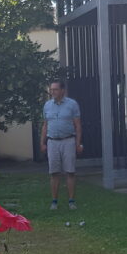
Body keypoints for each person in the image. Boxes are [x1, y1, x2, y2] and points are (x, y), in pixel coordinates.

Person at [40, 80, 83, 210]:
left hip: (68, 140)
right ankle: (54, 201)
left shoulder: (72, 104)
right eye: (51, 89)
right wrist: (42, 142)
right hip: (52, 141)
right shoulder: (47, 105)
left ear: (62, 90)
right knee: (54, 173)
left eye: (55, 89)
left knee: (70, 172)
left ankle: (71, 201)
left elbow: (77, 125)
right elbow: (45, 125)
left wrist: (78, 143)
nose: (52, 92)